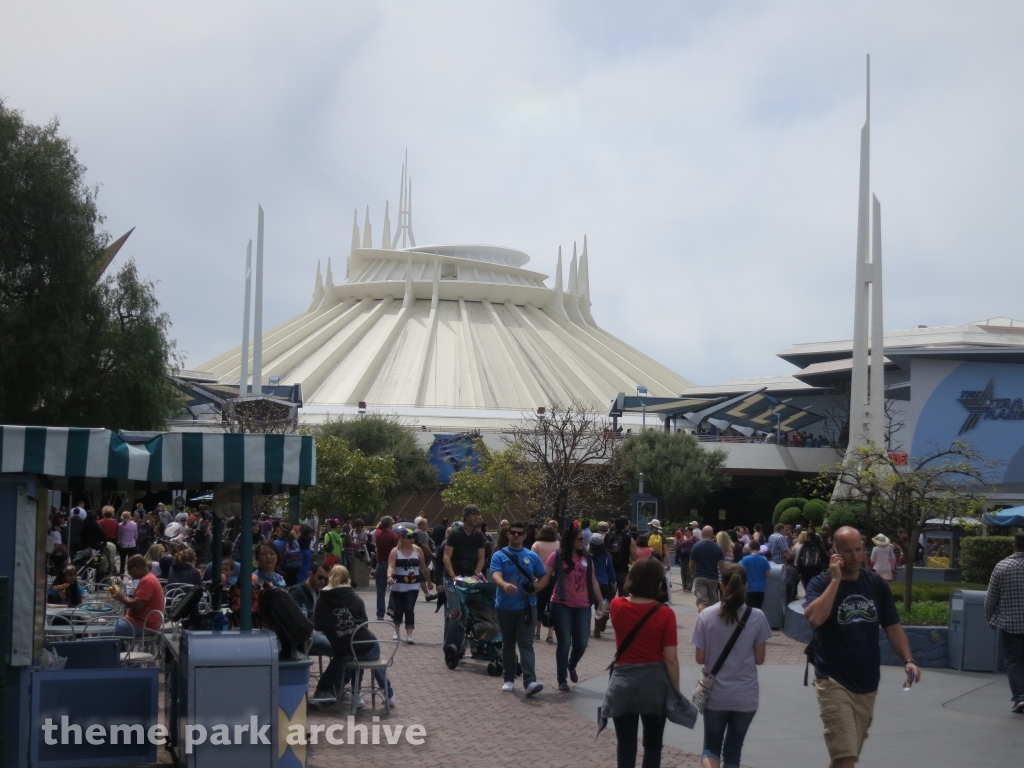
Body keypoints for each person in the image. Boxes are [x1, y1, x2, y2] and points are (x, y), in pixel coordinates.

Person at [804, 526, 921, 768]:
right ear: (834, 552)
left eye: (859, 550)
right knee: (845, 756)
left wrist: (908, 659)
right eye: (847, 551)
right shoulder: (821, 583)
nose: (856, 557)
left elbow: (892, 627)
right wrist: (836, 580)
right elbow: (815, 618)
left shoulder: (875, 583)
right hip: (833, 680)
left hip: (867, 683)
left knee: (845, 757)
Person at [599, 557, 695, 768]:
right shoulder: (665, 613)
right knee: (652, 745)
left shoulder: (617, 605)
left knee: (625, 747)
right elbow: (670, 658)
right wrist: (675, 689)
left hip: (623, 681)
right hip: (654, 683)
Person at [691, 563, 772, 768]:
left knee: (711, 748)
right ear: (746, 586)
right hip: (745, 694)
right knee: (733, 752)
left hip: (716, 694)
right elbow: (760, 658)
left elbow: (700, 658)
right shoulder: (757, 616)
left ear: (721, 585)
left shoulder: (706, 615)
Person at [311, 565, 395, 708]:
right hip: (370, 645)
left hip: (346, 647)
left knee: (349, 655)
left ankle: (332, 690)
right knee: (364, 656)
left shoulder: (322, 599)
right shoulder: (355, 598)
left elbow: (318, 627)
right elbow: (364, 623)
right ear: (347, 578)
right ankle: (387, 694)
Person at [489, 520, 550, 696]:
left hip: (527, 607)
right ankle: (508, 679)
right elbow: (496, 575)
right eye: (512, 532)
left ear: (524, 536)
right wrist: (503, 585)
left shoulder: (531, 556)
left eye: (519, 533)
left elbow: (543, 577)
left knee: (526, 644)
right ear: (508, 534)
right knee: (508, 644)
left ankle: (530, 681)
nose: (515, 535)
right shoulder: (499, 555)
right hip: (505, 607)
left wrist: (535, 590)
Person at [544, 522, 606, 692]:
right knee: (564, 642)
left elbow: (593, 581)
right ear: (571, 540)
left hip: (583, 605)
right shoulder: (557, 556)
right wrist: (533, 588)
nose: (583, 541)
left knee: (581, 643)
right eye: (580, 539)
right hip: (561, 603)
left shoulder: (586, 557)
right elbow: (545, 577)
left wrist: (602, 603)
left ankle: (571, 665)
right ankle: (561, 680)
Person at [984, 532, 1024, 714]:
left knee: (1014, 661)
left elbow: (991, 598)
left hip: (1010, 624)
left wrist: (990, 618)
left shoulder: (1002, 566)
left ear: (1014, 545)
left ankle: (1020, 698)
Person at [442, 505, 486, 664]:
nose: (476, 517)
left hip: (469, 579)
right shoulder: (455, 534)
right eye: (473, 514)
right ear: (466, 516)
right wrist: (453, 575)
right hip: (451, 578)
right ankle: (449, 648)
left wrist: (476, 574)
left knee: (466, 615)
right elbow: (447, 557)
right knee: (456, 612)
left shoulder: (479, 536)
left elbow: (482, 558)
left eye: (477, 514)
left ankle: (459, 648)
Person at [386, 528, 433, 644]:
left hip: (413, 585)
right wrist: (389, 576)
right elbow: (391, 565)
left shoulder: (417, 550)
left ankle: (409, 634)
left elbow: (422, 567)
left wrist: (429, 581)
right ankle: (396, 630)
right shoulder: (395, 551)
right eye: (410, 537)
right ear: (402, 538)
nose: (412, 539)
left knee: (409, 608)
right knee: (398, 609)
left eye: (413, 537)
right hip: (398, 585)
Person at [289, 560, 334, 668]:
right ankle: (329, 683)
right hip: (306, 637)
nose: (323, 582)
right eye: (320, 577)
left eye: (326, 580)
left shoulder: (321, 593)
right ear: (311, 574)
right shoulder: (296, 591)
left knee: (351, 647)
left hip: (320, 633)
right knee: (342, 650)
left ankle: (335, 682)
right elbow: (297, 616)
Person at [112, 554, 166, 635]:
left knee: (101, 633)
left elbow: (138, 606)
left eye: (129, 568)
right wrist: (125, 598)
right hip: (140, 623)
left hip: (143, 626)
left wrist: (122, 598)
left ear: (137, 567)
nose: (128, 572)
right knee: (105, 628)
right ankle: (119, 647)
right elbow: (139, 602)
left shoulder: (147, 581)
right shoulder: (149, 578)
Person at [531, 524, 560, 643]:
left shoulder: (537, 544)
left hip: (540, 577)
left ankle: (537, 632)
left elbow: (532, 560)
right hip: (554, 577)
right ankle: (550, 634)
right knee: (552, 605)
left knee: (539, 605)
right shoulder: (558, 544)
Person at [690, 526, 725, 611]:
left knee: (701, 602)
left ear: (702, 534)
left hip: (700, 576)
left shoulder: (696, 546)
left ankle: (702, 620)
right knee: (713, 603)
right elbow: (722, 565)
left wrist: (694, 574)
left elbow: (691, 564)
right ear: (713, 535)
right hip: (713, 577)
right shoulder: (718, 548)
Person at [589, 533, 617, 638]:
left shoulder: (588, 555)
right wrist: (613, 583)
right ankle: (597, 627)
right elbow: (610, 570)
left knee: (587, 605)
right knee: (600, 605)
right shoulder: (606, 555)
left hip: (590, 583)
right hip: (604, 582)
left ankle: (586, 626)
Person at [607, 516, 639, 598]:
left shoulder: (607, 536)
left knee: (609, 597)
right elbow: (635, 557)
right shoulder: (628, 538)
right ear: (625, 526)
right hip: (623, 570)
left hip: (608, 570)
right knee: (624, 597)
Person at [117, 510, 138, 576]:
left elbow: (119, 536)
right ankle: (131, 576)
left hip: (123, 545)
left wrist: (119, 542)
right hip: (132, 544)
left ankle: (121, 576)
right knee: (132, 562)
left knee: (122, 562)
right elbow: (136, 535)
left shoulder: (120, 525)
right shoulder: (134, 524)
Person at [676, 527, 695, 592]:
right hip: (682, 557)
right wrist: (678, 544)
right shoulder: (682, 538)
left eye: (686, 531)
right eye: (685, 531)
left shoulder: (694, 539)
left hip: (690, 557)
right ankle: (684, 585)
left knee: (689, 572)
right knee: (683, 572)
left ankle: (689, 586)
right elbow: (678, 547)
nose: (685, 532)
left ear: (690, 532)